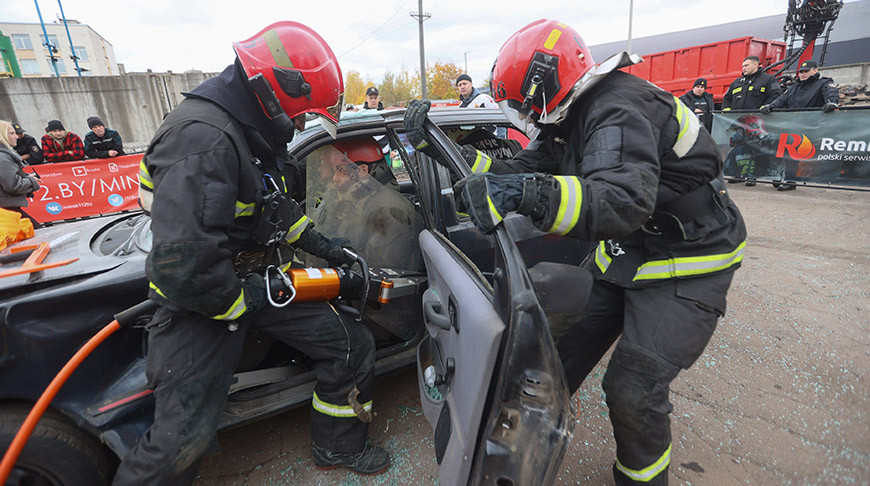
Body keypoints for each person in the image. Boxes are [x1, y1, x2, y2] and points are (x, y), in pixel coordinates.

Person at [405, 19, 746, 485]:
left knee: (632, 388)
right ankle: (509, 465)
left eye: (520, 101)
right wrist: (434, 145)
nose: (520, 112)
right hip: (631, 251)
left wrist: (527, 195)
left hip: (690, 259)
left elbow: (620, 201)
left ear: (542, 82)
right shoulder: (569, 117)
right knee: (551, 360)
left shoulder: (617, 108)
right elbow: (510, 170)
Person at [114, 22, 389, 485]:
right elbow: (185, 270)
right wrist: (260, 293)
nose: (303, 125)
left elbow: (272, 209)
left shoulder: (250, 133)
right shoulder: (203, 140)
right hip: (200, 304)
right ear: (277, 94)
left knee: (350, 344)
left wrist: (325, 247)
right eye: (303, 115)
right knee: (181, 439)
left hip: (254, 281)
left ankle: (337, 445)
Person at [760, 60, 839, 191]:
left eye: (806, 71)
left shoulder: (823, 83)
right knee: (783, 152)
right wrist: (771, 106)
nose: (802, 74)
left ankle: (791, 180)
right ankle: (783, 177)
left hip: (812, 127)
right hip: (793, 126)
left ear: (815, 70)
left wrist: (831, 103)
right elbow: (781, 100)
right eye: (801, 72)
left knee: (795, 155)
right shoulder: (794, 88)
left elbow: (830, 94)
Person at [0, 120, 41, 226]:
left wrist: (26, 178)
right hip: (8, 209)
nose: (16, 137)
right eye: (12, 133)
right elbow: (13, 186)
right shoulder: (3, 158)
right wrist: (31, 180)